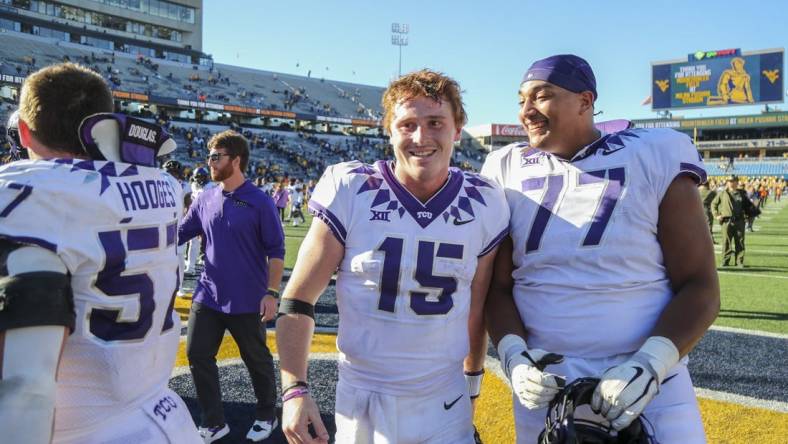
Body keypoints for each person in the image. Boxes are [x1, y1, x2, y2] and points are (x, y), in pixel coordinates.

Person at [481, 54, 720, 443]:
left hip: (651, 384)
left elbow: (700, 285)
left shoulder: (654, 151)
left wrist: (649, 364)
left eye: (541, 96)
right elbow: (499, 286)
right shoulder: (504, 167)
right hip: (545, 386)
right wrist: (513, 354)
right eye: (521, 100)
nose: (526, 111)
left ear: (585, 101)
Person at [276, 69, 509, 444]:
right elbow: (298, 300)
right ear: (389, 130)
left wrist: (473, 384)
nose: (421, 137)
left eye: (435, 122)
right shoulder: (352, 187)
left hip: (444, 398)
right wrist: (294, 391)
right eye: (407, 125)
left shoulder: (486, 200)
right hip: (364, 398)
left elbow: (476, 307)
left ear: (457, 129)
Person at [0, 63, 201, 443]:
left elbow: (26, 387)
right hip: (164, 415)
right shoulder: (165, 186)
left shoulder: (31, 194)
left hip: (83, 429)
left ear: (24, 130)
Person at [178, 130, 285, 443]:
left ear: (235, 160)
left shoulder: (260, 202)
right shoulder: (205, 197)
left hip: (247, 298)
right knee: (197, 353)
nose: (209, 162)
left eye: (216, 156)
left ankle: (267, 414)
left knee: (257, 360)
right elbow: (179, 233)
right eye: (209, 156)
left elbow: (276, 252)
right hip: (207, 294)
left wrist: (272, 292)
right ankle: (213, 421)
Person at [711, 175, 757, 267]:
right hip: (726, 221)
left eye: (732, 181)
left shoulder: (742, 193)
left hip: (739, 221)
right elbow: (713, 204)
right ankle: (725, 260)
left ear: (737, 182)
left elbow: (749, 205)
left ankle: (739, 261)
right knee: (726, 242)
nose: (731, 183)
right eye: (729, 181)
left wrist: (749, 215)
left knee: (740, 242)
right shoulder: (723, 193)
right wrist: (717, 215)